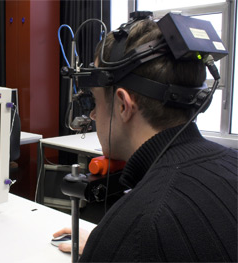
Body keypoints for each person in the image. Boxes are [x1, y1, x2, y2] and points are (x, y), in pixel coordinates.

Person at [53, 16, 237, 262]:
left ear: (122, 105)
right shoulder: (232, 162)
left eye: (95, 101)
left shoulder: (137, 227)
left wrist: (109, 245)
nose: (94, 115)